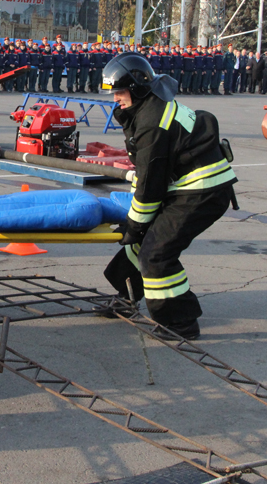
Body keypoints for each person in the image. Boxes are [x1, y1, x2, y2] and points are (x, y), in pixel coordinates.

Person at [101, 53, 237, 339]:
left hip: (202, 192)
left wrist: (134, 225)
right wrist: (136, 226)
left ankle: (180, 322)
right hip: (187, 186)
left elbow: (150, 188)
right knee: (140, 241)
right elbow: (150, 172)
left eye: (119, 92)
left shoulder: (152, 121)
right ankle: (127, 296)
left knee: (155, 253)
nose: (115, 99)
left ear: (137, 87)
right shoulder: (149, 106)